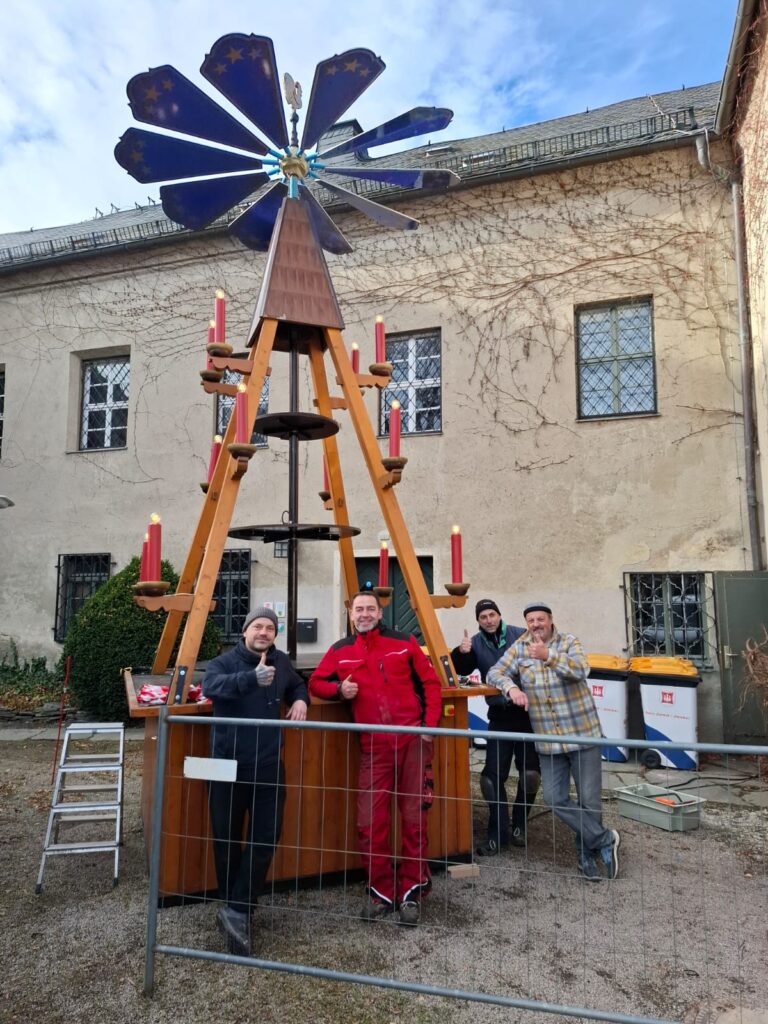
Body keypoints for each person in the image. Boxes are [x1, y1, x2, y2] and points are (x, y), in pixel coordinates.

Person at [309, 590, 442, 926]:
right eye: (359, 609)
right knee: (370, 822)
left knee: (415, 819)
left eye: (370, 608)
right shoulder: (341, 650)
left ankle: (413, 890)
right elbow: (316, 683)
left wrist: (429, 728)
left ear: (380, 613)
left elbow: (431, 684)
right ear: (351, 615)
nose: (365, 614)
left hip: (412, 741)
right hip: (374, 746)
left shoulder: (404, 641)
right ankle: (381, 892)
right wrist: (340, 690)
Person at [487, 601, 620, 881]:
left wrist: (548, 655)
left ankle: (587, 854)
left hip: (581, 733)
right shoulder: (520, 647)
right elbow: (494, 672)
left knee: (589, 801)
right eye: (531, 620)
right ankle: (605, 839)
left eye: (540, 619)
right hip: (548, 740)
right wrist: (511, 688)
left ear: (550, 620)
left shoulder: (569, 642)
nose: (536, 624)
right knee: (554, 798)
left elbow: (581, 670)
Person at [203, 606, 308, 955]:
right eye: (258, 626)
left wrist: (301, 700)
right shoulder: (223, 662)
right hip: (225, 764)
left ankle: (237, 909)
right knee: (226, 837)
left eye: (270, 628)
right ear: (245, 630)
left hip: (267, 764)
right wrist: (251, 679)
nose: (264, 632)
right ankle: (234, 906)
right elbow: (211, 686)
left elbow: (297, 683)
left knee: (266, 836)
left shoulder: (281, 663)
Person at [451, 598, 541, 856]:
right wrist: (462, 652)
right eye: (483, 617)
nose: (488, 620)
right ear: (478, 621)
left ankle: (519, 826)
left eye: (492, 614)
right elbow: (462, 670)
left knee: (530, 775)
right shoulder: (476, 643)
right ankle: (497, 832)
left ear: (499, 615)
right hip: (499, 714)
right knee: (491, 778)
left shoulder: (518, 634)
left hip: (526, 714)